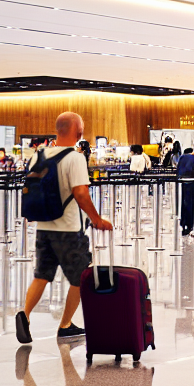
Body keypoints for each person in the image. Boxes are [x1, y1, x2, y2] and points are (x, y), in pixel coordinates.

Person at [15, 112, 114, 343]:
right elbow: (80, 193)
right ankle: (65, 324)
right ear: (79, 132)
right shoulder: (75, 158)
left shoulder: (38, 155)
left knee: (42, 276)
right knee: (80, 278)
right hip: (69, 230)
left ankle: (25, 314)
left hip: (44, 227)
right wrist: (97, 219)